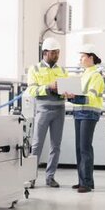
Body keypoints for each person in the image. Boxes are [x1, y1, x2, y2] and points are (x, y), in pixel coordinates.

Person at [26, 37, 68, 187]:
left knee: (56, 145)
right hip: (43, 110)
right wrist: (48, 87)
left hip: (59, 110)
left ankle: (50, 177)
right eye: (53, 53)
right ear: (45, 53)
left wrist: (67, 93)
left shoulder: (62, 70)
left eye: (58, 53)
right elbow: (31, 89)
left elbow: (66, 89)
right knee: (37, 145)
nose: (56, 56)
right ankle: (31, 178)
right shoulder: (35, 69)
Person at [63, 45, 105, 193]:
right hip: (80, 113)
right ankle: (83, 180)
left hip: (89, 113)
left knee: (85, 148)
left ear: (91, 57)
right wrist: (70, 97)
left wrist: (76, 97)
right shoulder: (85, 74)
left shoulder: (96, 76)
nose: (80, 59)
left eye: (82, 56)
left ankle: (86, 183)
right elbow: (79, 96)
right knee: (79, 148)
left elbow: (92, 97)